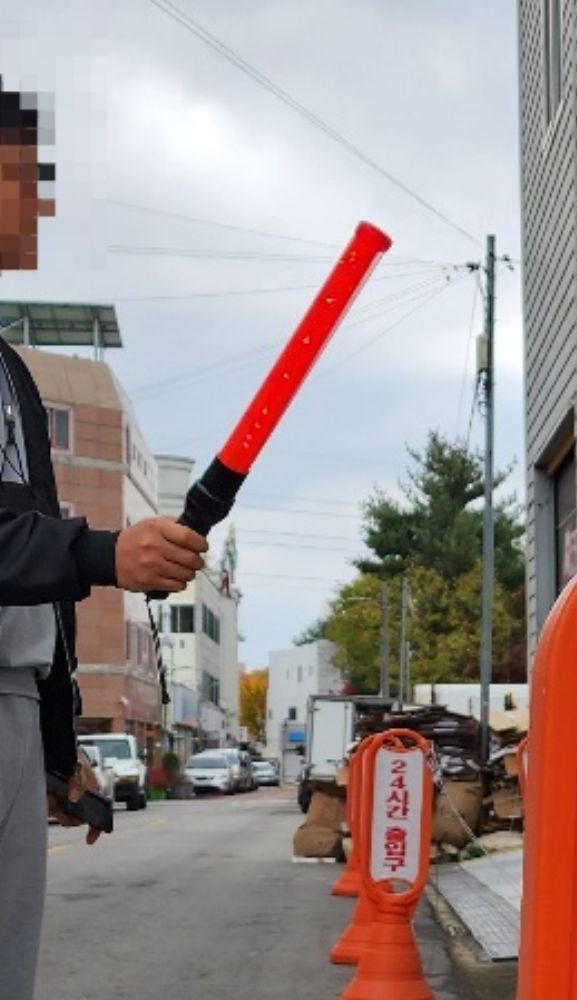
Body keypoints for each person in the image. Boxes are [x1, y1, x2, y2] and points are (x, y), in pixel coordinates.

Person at [0, 79, 209, 1000]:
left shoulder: (8, 371)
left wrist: (51, 748)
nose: (39, 199)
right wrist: (104, 555)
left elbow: (28, 564)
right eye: (22, 174)